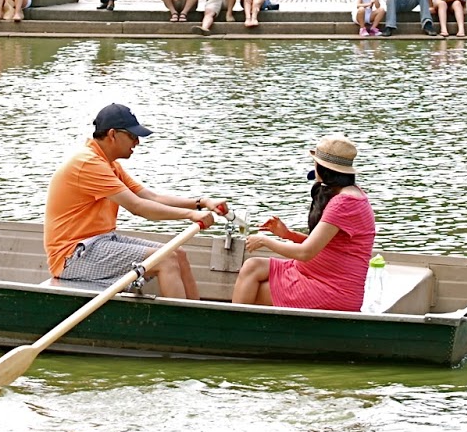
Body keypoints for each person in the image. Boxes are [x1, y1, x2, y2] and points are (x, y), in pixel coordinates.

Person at [43, 103, 226, 298]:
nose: (137, 142)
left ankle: (196, 319)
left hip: (101, 242)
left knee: (178, 255)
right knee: (166, 260)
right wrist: (191, 215)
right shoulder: (88, 163)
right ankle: (181, 326)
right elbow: (137, 207)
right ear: (113, 135)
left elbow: (150, 197)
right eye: (132, 136)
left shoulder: (108, 164)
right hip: (72, 257)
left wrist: (201, 202)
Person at [230, 135, 374, 311]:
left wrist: (264, 241)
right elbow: (327, 245)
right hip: (315, 275)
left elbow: (306, 253)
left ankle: (233, 334)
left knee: (256, 292)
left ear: (323, 168)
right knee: (252, 266)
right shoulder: (351, 194)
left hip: (330, 289)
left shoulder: (344, 203)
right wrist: (288, 235)